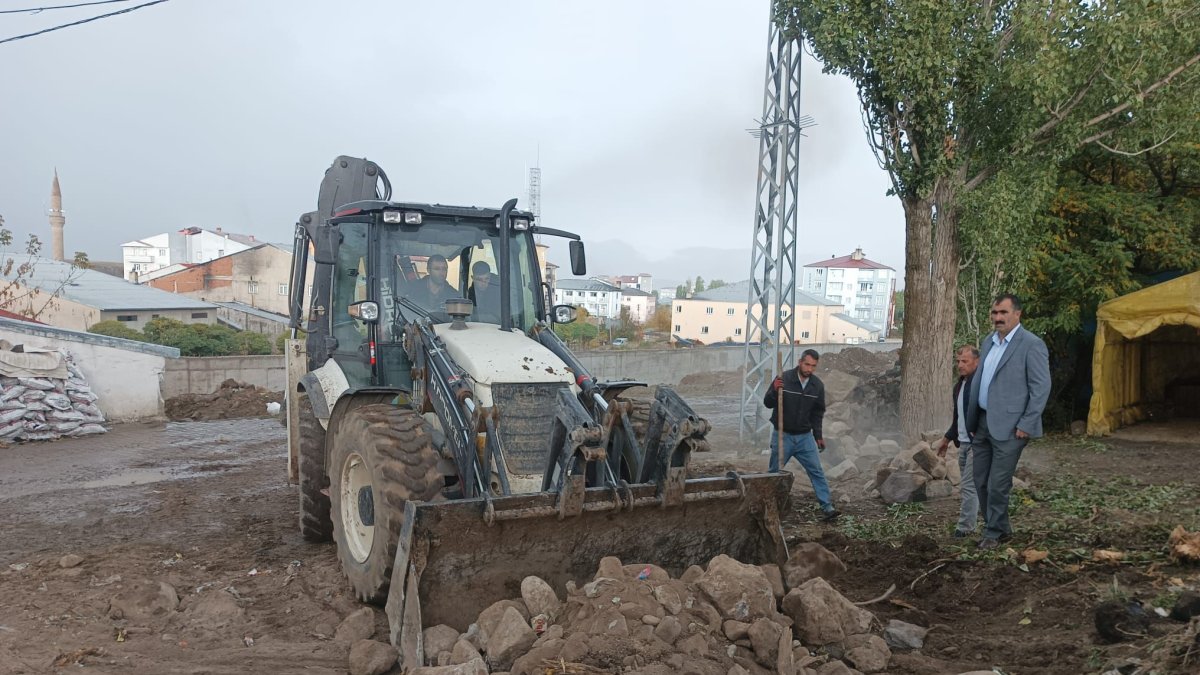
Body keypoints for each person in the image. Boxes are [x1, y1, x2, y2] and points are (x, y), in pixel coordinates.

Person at [965, 294, 1051, 550]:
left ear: (1017, 314)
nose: (998, 318)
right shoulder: (989, 342)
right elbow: (980, 381)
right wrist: (971, 418)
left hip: (1012, 428)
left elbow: (1041, 387)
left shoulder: (1031, 344)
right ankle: (1001, 528)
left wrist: (1027, 422)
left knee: (998, 484)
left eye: (1003, 313)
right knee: (980, 480)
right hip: (982, 423)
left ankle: (992, 533)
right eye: (994, 313)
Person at [763, 349, 838, 522]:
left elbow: (817, 413)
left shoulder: (817, 385)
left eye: (813, 366)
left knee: (817, 471)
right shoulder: (784, 379)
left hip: (805, 437)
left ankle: (827, 507)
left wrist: (818, 435)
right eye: (807, 364)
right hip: (783, 435)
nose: (810, 369)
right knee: (774, 473)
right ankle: (767, 507)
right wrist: (774, 391)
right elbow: (768, 403)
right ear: (800, 362)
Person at [934, 345, 980, 539]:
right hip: (963, 442)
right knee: (975, 485)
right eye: (958, 361)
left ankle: (965, 528)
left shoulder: (980, 385)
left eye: (965, 361)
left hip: (977, 443)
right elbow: (958, 417)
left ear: (976, 362)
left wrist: (982, 435)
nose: (960, 365)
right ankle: (986, 519)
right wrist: (947, 438)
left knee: (969, 485)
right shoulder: (960, 384)